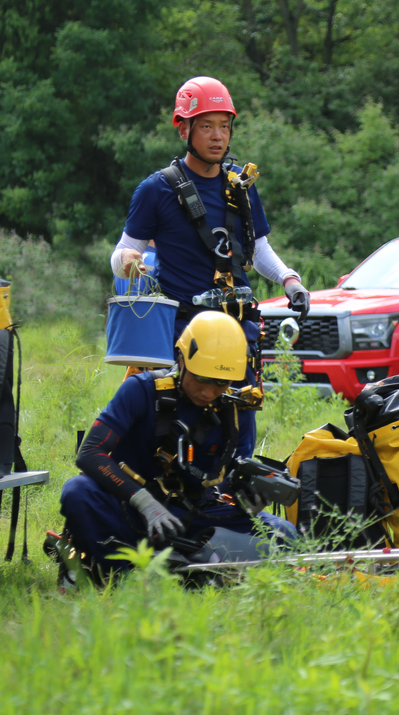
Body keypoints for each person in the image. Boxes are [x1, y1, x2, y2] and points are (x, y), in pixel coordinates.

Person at [109, 76, 310, 451]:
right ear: (183, 129)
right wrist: (128, 260)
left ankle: (234, 484)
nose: (218, 136)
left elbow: (258, 249)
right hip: (183, 331)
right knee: (178, 426)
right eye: (206, 126)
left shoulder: (240, 187)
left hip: (236, 330)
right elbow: (122, 252)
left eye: (224, 126)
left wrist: (289, 279)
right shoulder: (156, 189)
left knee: (239, 422)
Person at [59, 311, 295, 580]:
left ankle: (186, 567)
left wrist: (245, 502)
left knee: (284, 534)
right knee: (78, 492)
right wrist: (144, 503)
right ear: (181, 360)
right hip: (131, 507)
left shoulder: (236, 411)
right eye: (201, 378)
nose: (208, 392)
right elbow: (90, 453)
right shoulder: (141, 390)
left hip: (196, 514)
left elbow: (229, 478)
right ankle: (125, 578)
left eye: (221, 383)